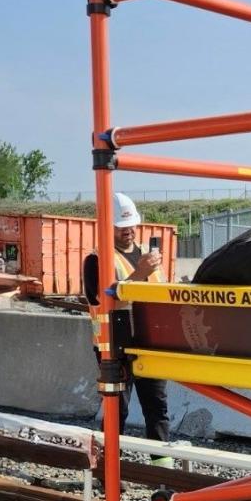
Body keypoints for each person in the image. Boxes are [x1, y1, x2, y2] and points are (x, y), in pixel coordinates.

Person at [83, 193, 172, 463]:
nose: (129, 231)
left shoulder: (148, 256)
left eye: (132, 225)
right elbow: (101, 298)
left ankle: (162, 472)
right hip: (114, 347)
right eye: (122, 227)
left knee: (156, 408)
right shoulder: (97, 260)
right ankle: (110, 469)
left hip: (149, 344)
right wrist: (139, 275)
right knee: (116, 409)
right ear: (107, 227)